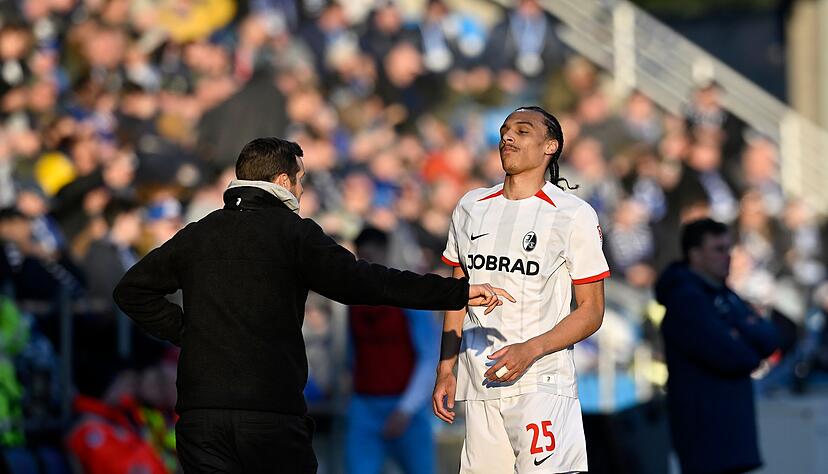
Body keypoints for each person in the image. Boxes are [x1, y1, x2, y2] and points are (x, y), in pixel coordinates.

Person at [112, 137, 513, 473]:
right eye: (300, 180)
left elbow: (132, 290)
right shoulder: (293, 234)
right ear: (282, 181)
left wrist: (190, 333)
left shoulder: (198, 234)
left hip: (202, 416)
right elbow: (365, 282)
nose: (302, 190)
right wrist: (454, 292)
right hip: (270, 414)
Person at [433, 106, 609, 473]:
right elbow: (456, 295)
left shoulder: (573, 214)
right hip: (480, 382)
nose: (508, 137)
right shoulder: (470, 207)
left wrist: (530, 350)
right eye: (504, 131)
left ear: (550, 146)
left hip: (541, 382)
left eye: (523, 131)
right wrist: (446, 368)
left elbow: (591, 310)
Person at [655, 218, 779, 474]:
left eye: (728, 249)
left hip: (732, 430)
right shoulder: (686, 299)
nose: (727, 257)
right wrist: (744, 338)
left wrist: (737, 331)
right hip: (705, 432)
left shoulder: (724, 294)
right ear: (695, 254)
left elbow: (769, 339)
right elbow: (732, 355)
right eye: (718, 250)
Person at [345, 226, 440, 474]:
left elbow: (429, 355)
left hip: (406, 407)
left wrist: (406, 408)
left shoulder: (407, 295)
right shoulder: (351, 299)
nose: (366, 263)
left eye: (371, 255)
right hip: (365, 405)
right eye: (361, 257)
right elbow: (349, 353)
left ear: (385, 252)